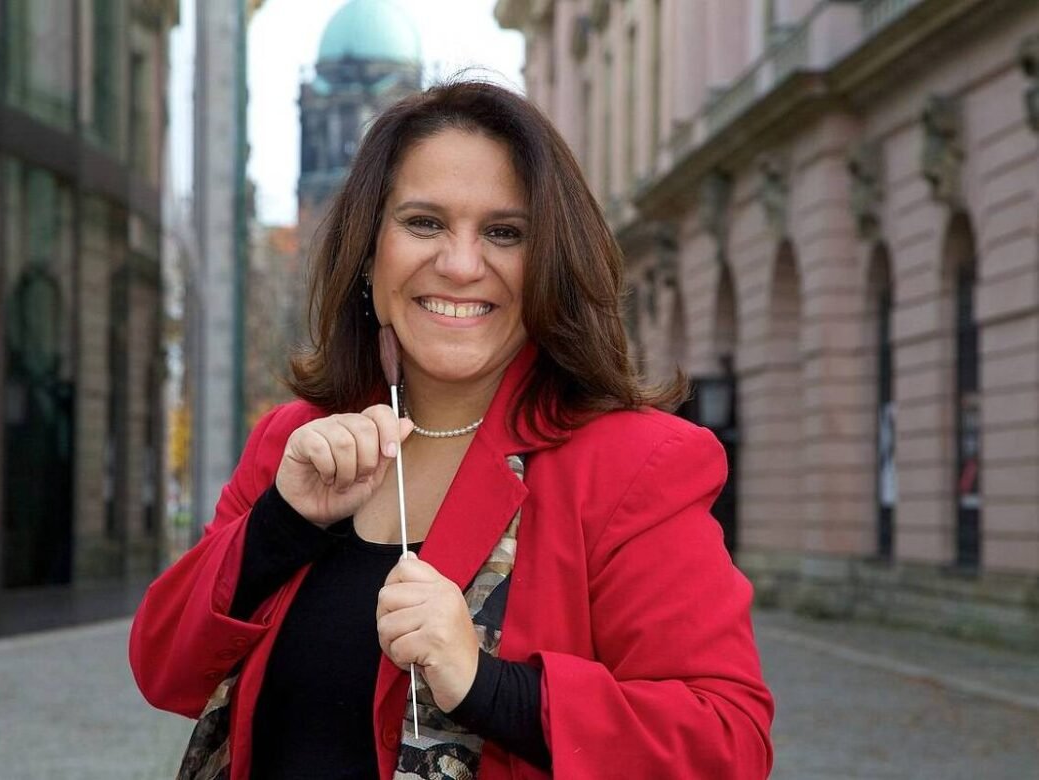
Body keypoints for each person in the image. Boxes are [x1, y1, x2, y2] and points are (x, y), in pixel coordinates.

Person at [130, 80, 774, 779]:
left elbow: (727, 742)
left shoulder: (635, 463)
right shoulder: (296, 441)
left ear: (549, 264)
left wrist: (486, 684)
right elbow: (165, 668)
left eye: (504, 232)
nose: (461, 265)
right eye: (424, 223)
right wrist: (277, 527)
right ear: (369, 255)